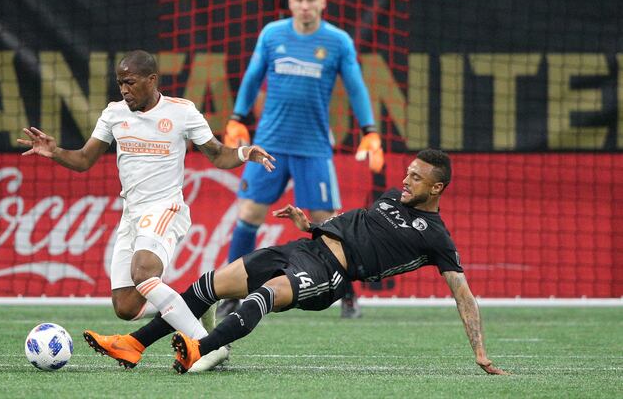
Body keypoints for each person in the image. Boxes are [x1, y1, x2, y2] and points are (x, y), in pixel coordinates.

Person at [86, 149, 510, 376]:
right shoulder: (389, 197)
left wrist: (480, 351)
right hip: (305, 247)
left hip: (332, 275)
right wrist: (309, 224)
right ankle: (135, 344)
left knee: (265, 296)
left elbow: (463, 294)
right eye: (407, 172)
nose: (405, 179)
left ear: (437, 187)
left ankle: (202, 347)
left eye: (416, 177)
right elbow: (351, 223)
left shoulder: (437, 237)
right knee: (210, 284)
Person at [17, 50, 276, 369]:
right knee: (125, 307)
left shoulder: (182, 112)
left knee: (143, 273)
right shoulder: (113, 114)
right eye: (119, 83)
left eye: (130, 82)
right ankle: (195, 305)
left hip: (167, 208)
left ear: (152, 80)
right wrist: (55, 151)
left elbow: (218, 155)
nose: (124, 89)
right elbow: (84, 160)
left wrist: (245, 152)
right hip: (132, 214)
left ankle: (210, 347)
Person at [221, 0, 384, 319]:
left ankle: (349, 294)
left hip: (313, 148)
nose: (306, 6)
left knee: (327, 224)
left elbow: (355, 87)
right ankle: (231, 293)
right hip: (269, 145)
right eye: (300, 0)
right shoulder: (272, 34)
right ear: (291, 3)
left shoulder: (338, 41)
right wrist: (237, 117)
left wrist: (370, 130)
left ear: (324, 2)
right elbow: (252, 77)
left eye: (312, 0)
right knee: (249, 214)